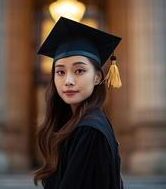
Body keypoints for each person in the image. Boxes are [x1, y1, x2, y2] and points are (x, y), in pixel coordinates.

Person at [34, 17, 123, 189]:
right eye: (60, 72)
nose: (68, 80)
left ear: (97, 77)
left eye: (79, 71)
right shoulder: (79, 124)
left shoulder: (89, 131)